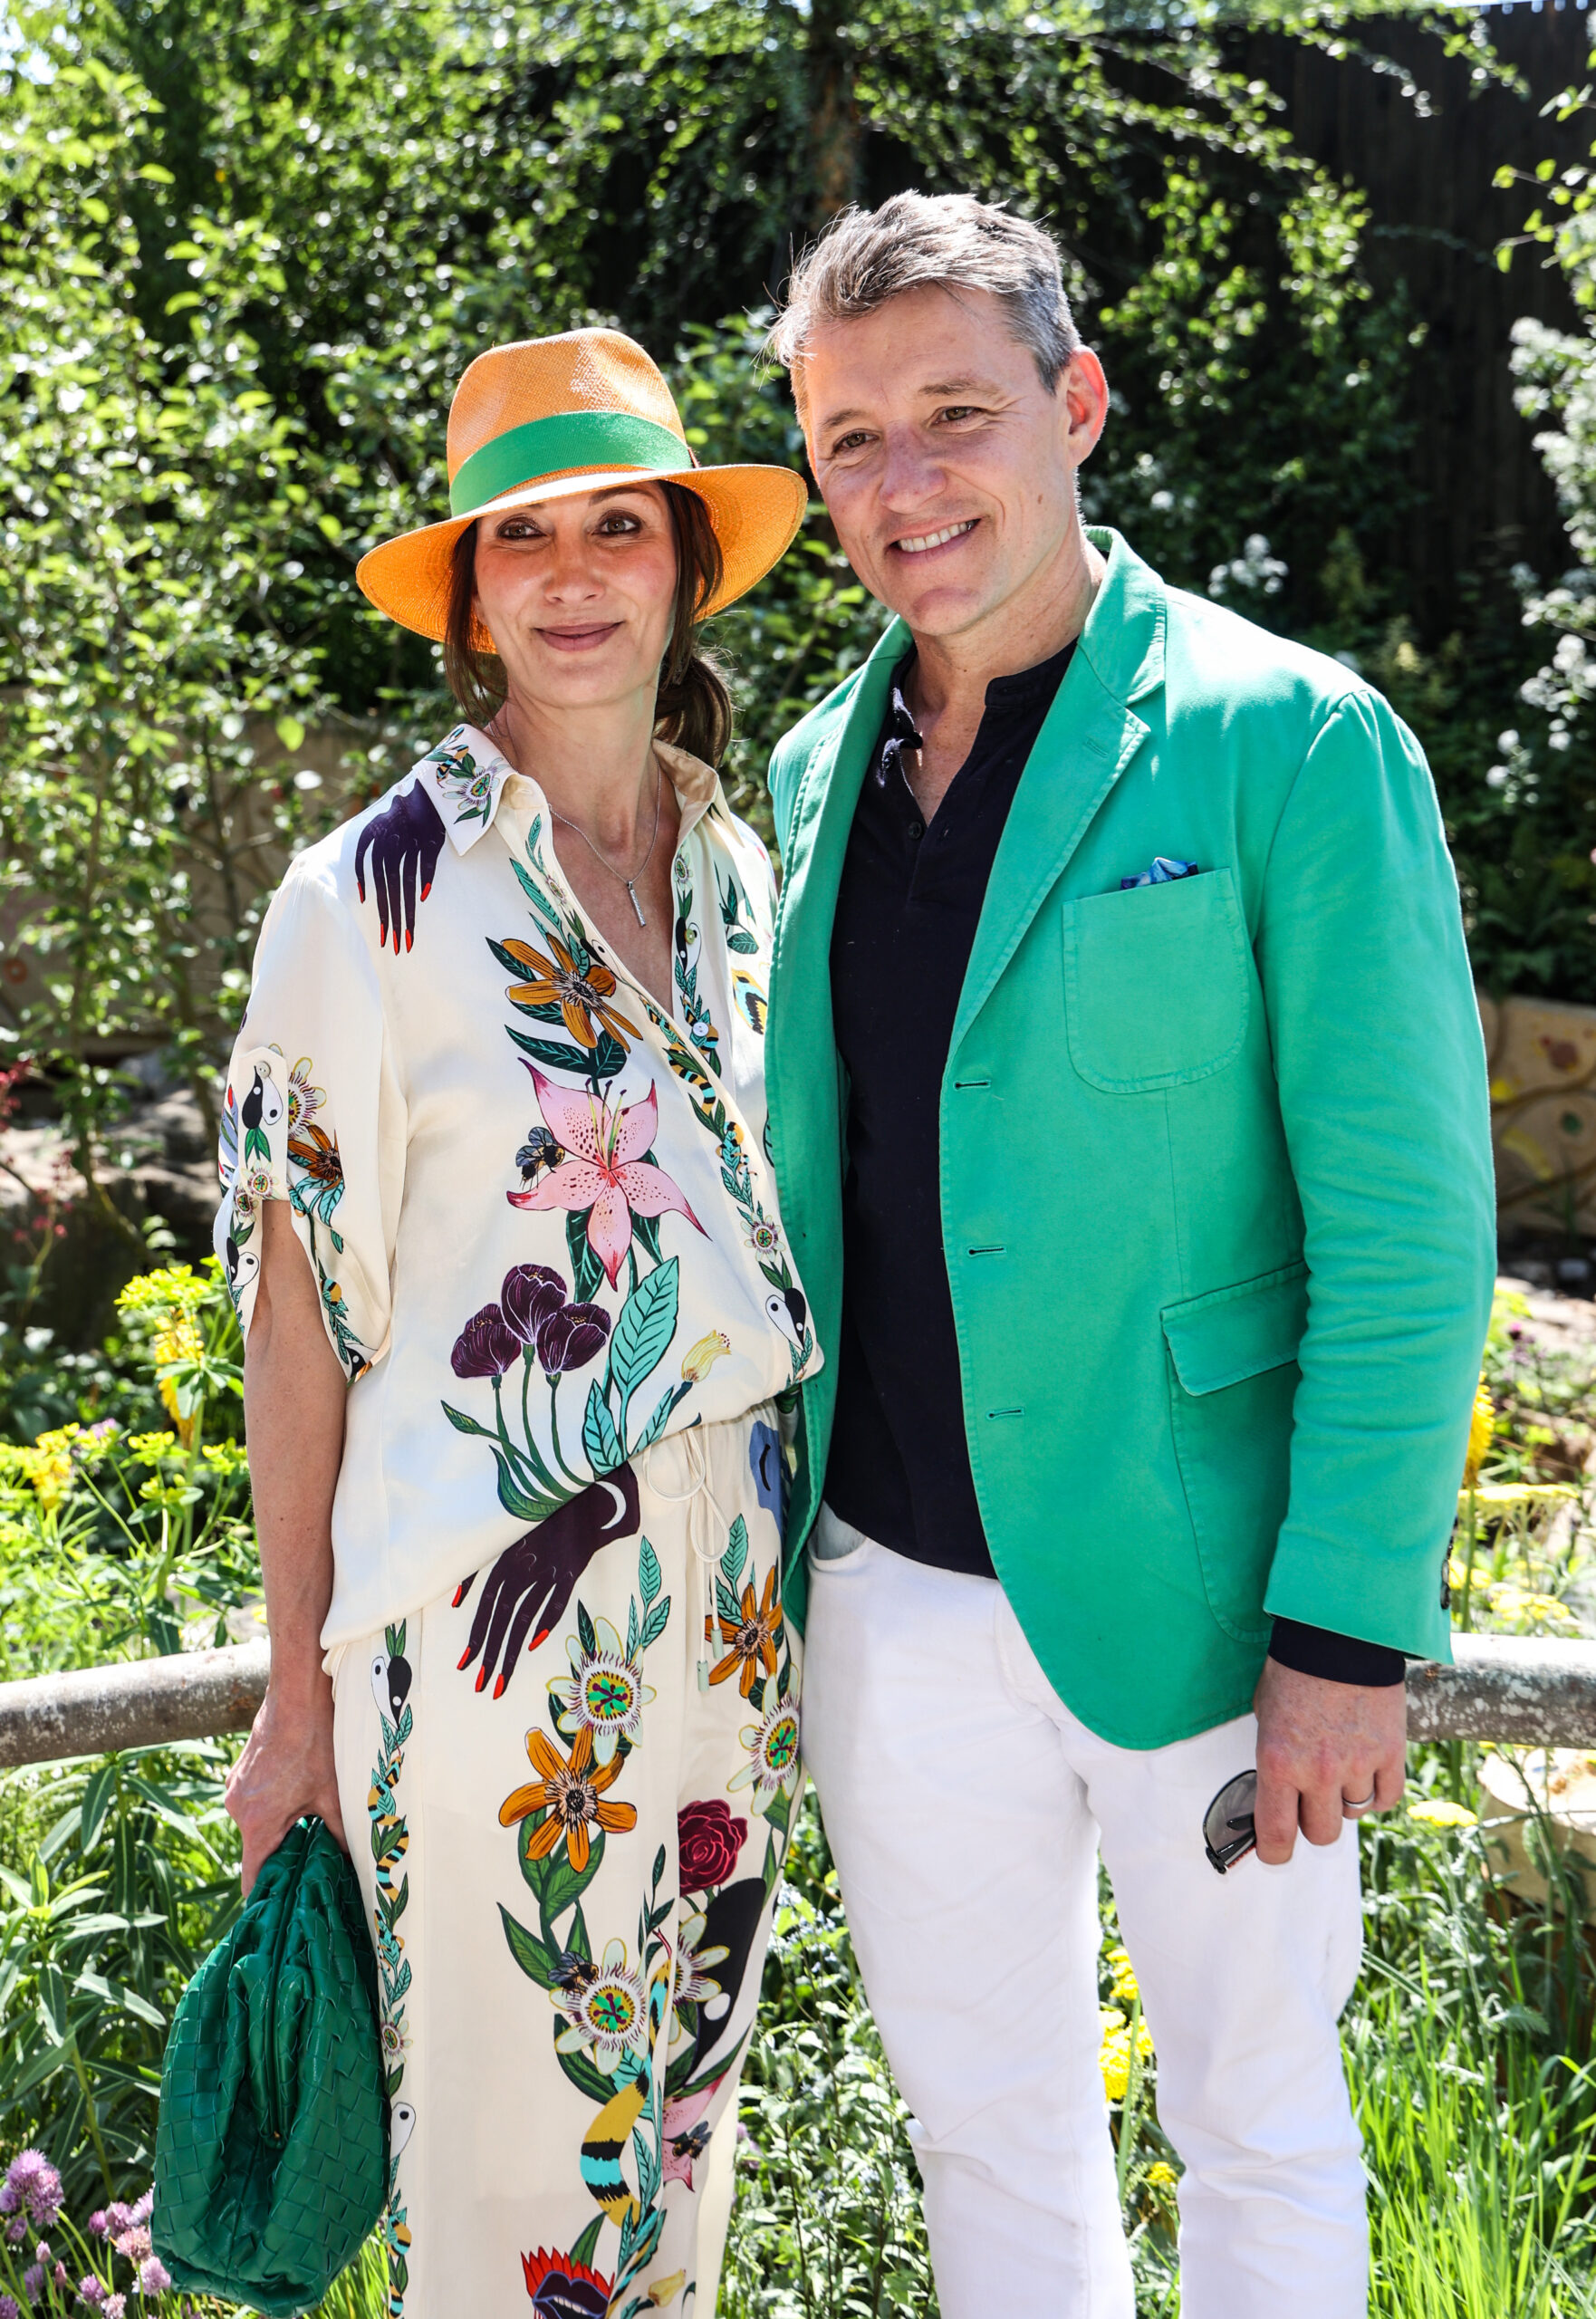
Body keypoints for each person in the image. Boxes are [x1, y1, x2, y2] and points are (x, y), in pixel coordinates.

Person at [757, 193, 1495, 2319]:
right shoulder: (811, 778)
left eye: (955, 416)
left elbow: (1405, 1218)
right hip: (886, 1592)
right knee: (983, 2129)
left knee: (1255, 2123)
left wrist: (1345, 1620)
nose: (905, 487)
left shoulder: (1289, 740)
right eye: (848, 442)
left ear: (1075, 405)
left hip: (1205, 1606)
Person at [216, 327, 817, 2319]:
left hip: (734, 1630)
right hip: (487, 1659)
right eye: (522, 535)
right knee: (506, 2215)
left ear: (684, 566)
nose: (571, 573)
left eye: (617, 526)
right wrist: (292, 1699)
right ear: (470, 591)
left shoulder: (743, 876)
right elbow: (293, 1318)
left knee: (676, 2172)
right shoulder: (363, 897)